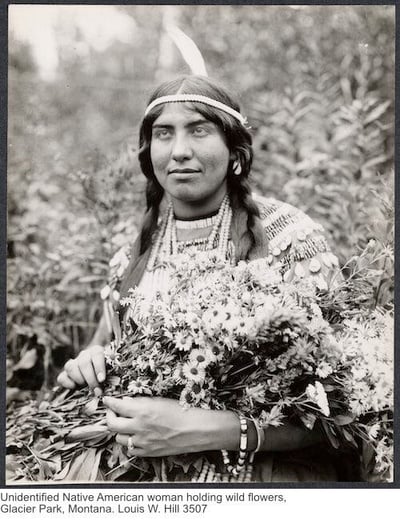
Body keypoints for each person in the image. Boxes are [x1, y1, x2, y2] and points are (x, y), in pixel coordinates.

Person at [57, 75, 356, 482]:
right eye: (164, 134)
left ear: (235, 152)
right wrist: (90, 364)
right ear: (149, 155)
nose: (180, 150)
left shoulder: (290, 239)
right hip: (141, 470)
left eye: (199, 130)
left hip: (264, 478)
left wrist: (199, 429)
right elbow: (101, 350)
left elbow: (346, 410)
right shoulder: (132, 257)